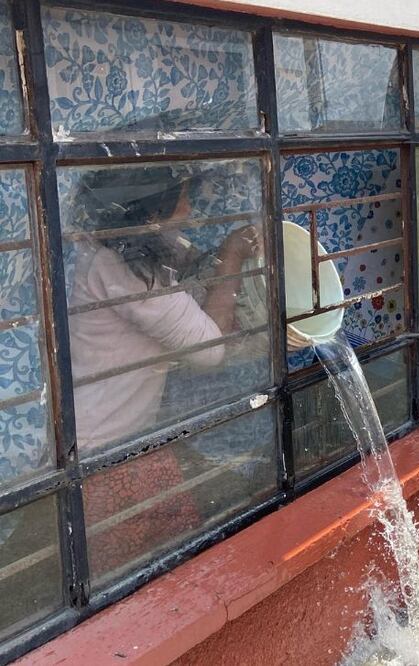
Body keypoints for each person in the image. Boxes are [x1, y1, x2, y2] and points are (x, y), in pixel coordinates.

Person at [68, 165, 260, 573]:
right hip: (106, 452)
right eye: (182, 200)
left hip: (111, 440)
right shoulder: (126, 272)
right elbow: (209, 351)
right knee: (144, 569)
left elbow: (179, 280)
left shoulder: (108, 252)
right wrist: (231, 256)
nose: (190, 210)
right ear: (151, 217)